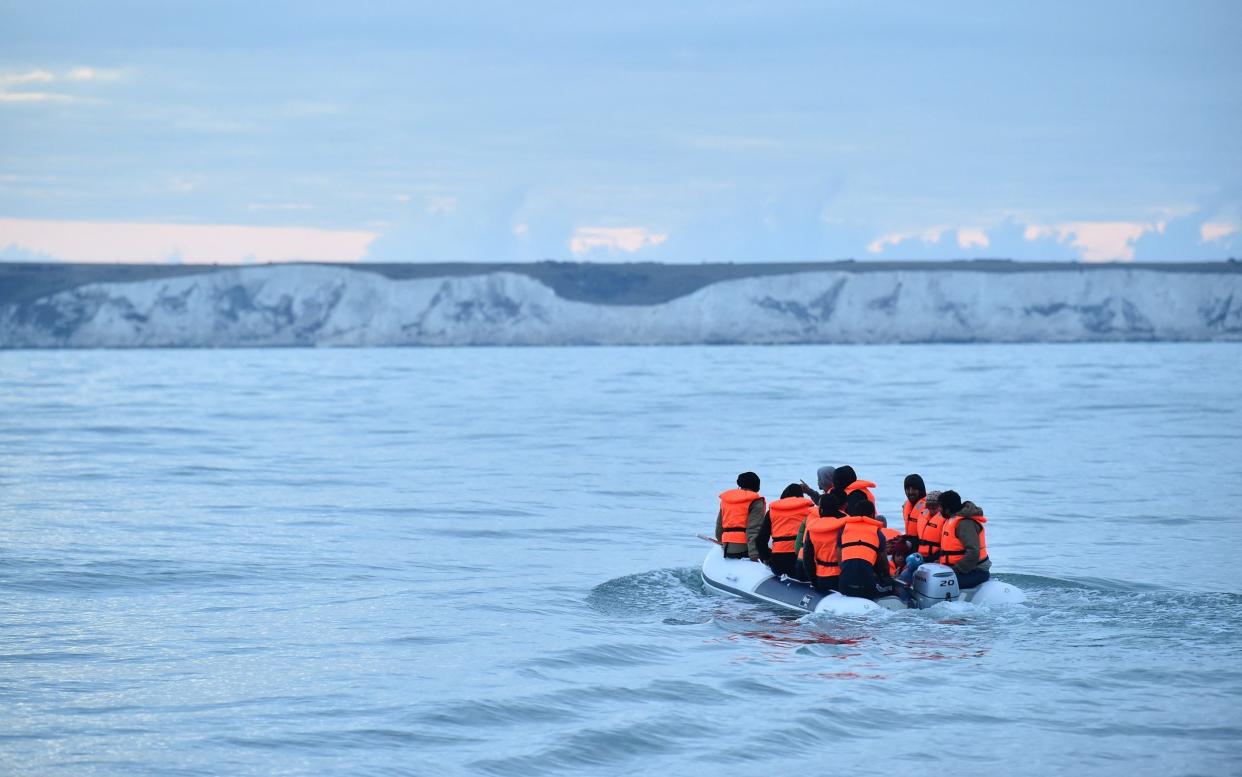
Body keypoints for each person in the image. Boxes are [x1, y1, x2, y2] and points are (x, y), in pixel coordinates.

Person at [835, 499, 895, 600]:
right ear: (872, 515)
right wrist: (887, 579)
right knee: (891, 586)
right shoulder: (878, 533)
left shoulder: (843, 530)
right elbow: (884, 565)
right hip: (866, 588)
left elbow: (840, 562)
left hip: (844, 585)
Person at [938, 492, 992, 589]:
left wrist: (956, 569)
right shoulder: (951, 520)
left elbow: (974, 552)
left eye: (941, 507)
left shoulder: (965, 524)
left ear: (948, 509)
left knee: (939, 584)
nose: (939, 510)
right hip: (959, 569)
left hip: (976, 571)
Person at [763, 483, 817, 578]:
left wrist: (767, 558)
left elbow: (760, 540)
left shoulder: (771, 511)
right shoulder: (811, 510)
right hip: (802, 563)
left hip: (779, 564)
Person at [715, 472, 766, 561]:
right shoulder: (756, 502)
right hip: (744, 550)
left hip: (728, 549)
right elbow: (753, 529)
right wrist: (754, 554)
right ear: (757, 487)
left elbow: (719, 527)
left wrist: (722, 542)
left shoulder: (726, 500)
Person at [915, 490, 945, 560]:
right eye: (929, 506)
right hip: (920, 555)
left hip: (936, 557)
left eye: (934, 506)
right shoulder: (922, 516)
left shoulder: (945, 519)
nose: (931, 509)